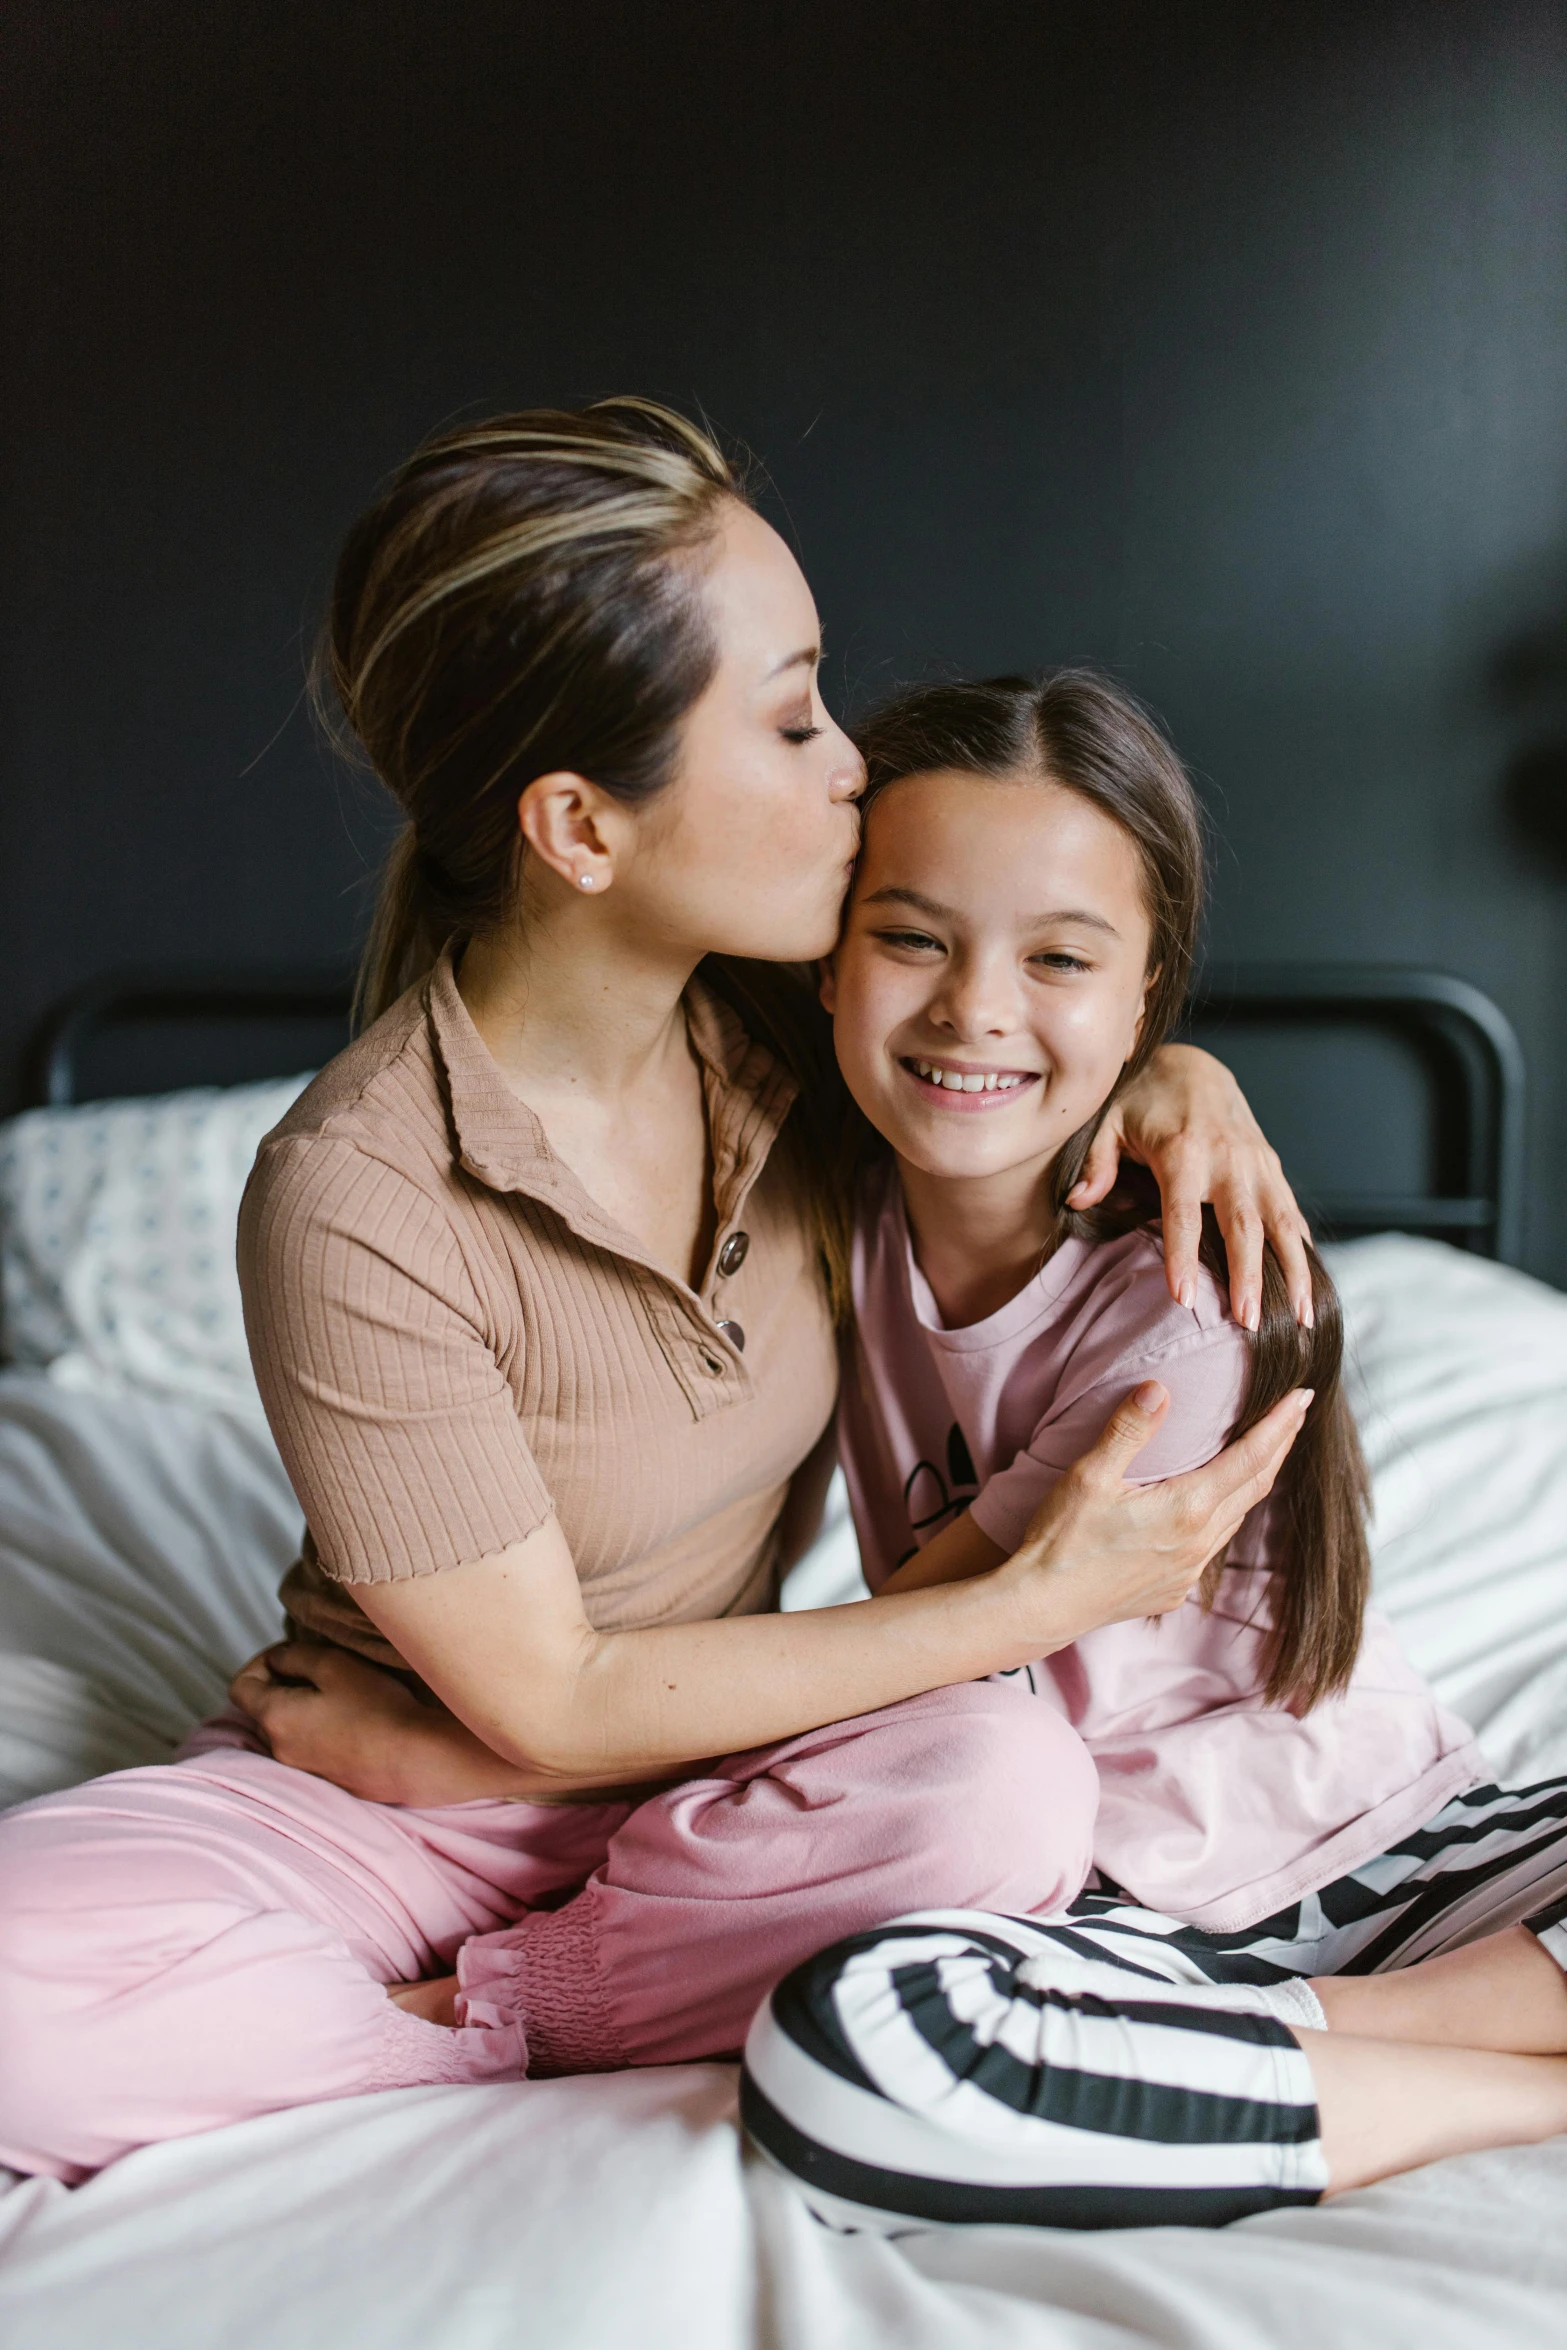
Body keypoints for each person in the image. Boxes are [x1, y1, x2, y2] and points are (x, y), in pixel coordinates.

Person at [0, 402, 1309, 2183]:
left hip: (725, 1780)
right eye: (787, 719)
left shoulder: (799, 1030)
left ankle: (506, 2004)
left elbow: (1005, 1029)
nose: (849, 763)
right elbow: (537, 1705)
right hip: (392, 1777)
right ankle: (525, 2008)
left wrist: (1173, 1076)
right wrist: (1034, 1601)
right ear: (578, 827)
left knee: (1001, 1793)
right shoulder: (359, 1193)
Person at [740, 670, 1567, 2230]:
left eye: (1058, 957)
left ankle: (1347, 2044)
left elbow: (905, 1643)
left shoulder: (1189, 1307)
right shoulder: (810, 1218)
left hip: (1403, 1855)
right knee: (844, 2050)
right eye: (910, 936)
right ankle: (1524, 2079)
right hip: (1101, 1916)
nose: (973, 1006)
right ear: (828, 959)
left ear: (1143, 996)